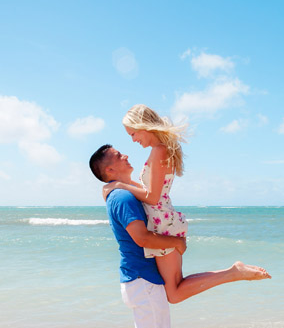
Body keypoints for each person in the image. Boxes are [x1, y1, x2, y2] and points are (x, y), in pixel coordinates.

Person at [89, 142, 269, 328]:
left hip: (142, 278)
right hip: (141, 279)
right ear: (110, 169)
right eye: (117, 155)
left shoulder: (123, 193)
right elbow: (141, 237)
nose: (125, 154)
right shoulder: (122, 198)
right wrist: (176, 244)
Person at [102, 104, 270, 304]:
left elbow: (153, 197)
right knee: (175, 289)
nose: (133, 139)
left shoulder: (159, 150)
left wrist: (120, 184)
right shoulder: (161, 149)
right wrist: (122, 185)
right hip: (163, 220)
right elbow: (151, 191)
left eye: (133, 133)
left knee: (174, 293)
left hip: (162, 224)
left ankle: (233, 272)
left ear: (143, 126)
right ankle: (233, 272)